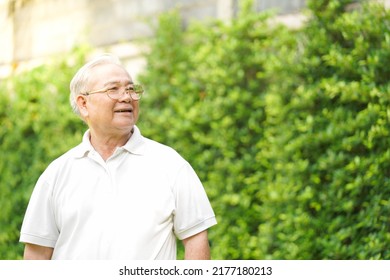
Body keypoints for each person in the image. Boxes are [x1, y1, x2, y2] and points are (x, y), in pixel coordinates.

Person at [19, 54, 217, 260]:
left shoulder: (170, 164)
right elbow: (37, 254)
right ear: (84, 103)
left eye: (131, 89)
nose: (126, 97)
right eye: (113, 89)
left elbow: (196, 239)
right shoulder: (57, 174)